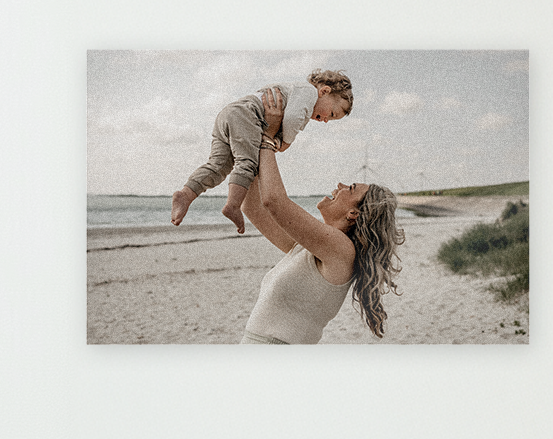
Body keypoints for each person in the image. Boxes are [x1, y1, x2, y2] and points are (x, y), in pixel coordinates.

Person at [238, 142, 404, 342]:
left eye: (350, 189)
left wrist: (267, 141)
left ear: (353, 214)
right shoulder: (311, 249)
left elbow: (274, 201)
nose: (340, 185)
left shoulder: (341, 250)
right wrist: (248, 145)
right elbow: (252, 206)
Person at [170, 69, 354, 234]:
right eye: (332, 113)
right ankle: (233, 205)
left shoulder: (293, 90)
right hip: (248, 114)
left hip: (229, 113)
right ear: (324, 91)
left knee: (219, 165)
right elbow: (291, 119)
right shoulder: (308, 94)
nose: (326, 121)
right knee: (247, 163)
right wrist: (285, 143)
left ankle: (186, 194)